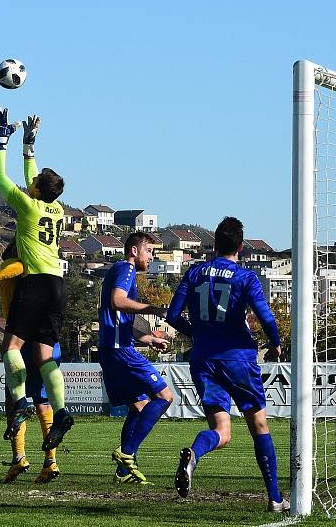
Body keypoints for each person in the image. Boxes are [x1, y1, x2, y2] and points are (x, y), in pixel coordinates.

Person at [166, 217, 288, 511]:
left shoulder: (194, 273)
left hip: (204, 359)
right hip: (238, 358)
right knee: (258, 424)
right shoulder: (245, 277)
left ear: (214, 245)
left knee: (222, 430)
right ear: (241, 247)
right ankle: (274, 498)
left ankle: (195, 453)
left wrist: (197, 333)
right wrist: (275, 343)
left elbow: (171, 316)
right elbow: (266, 316)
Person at [0, 108, 73, 450]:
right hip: (58, 286)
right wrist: (30, 145)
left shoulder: (29, 206)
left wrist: (1, 139)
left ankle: (21, 401)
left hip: (35, 283)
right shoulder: (58, 208)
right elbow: (33, 180)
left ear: (37, 189)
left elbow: (0, 178)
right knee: (43, 356)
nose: (31, 182)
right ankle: (62, 410)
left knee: (10, 348)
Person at [0, 239, 61, 484]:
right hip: (46, 337)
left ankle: (19, 457)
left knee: (14, 400)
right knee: (43, 402)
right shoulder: (43, 269)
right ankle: (50, 461)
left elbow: (14, 268)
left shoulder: (18, 264)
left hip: (22, 336)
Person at [97, 232, 173, 485]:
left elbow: (116, 319)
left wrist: (149, 339)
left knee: (139, 407)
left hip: (111, 348)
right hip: (120, 351)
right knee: (164, 396)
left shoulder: (121, 271)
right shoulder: (126, 269)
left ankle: (123, 471)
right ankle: (127, 453)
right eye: (149, 250)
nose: (152, 256)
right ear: (134, 251)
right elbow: (117, 302)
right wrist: (153, 308)